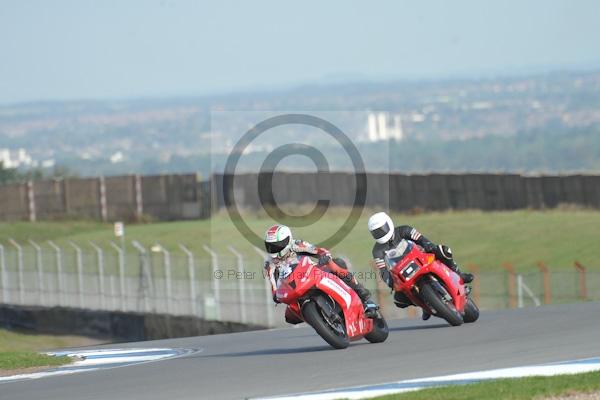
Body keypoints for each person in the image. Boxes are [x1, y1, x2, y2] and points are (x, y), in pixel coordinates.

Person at [367, 211, 474, 320]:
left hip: (420, 257)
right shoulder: (377, 251)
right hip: (402, 272)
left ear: (388, 223)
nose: (380, 233)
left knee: (444, 251)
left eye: (382, 229)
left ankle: (459, 274)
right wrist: (390, 282)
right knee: (399, 299)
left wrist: (429, 246)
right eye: (376, 232)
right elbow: (383, 270)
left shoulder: (404, 230)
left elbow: (421, 239)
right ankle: (424, 305)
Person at [263, 224, 379, 319]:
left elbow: (319, 250)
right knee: (289, 318)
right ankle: (319, 318)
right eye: (270, 246)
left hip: (311, 274)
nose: (274, 249)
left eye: (277, 245)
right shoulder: (269, 263)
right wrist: (275, 295)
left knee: (336, 265)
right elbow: (273, 283)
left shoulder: (297, 245)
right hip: (293, 289)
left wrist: (324, 256)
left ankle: (366, 300)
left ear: (287, 240)